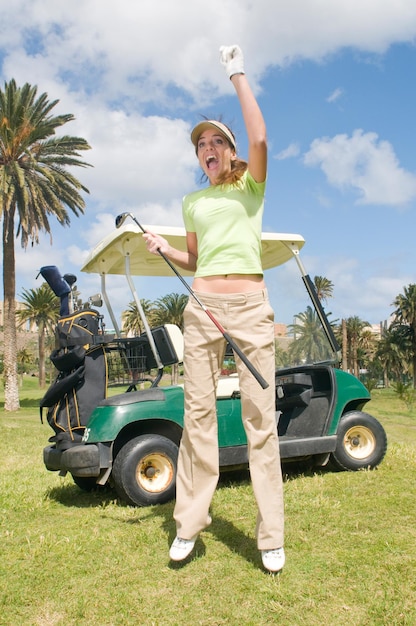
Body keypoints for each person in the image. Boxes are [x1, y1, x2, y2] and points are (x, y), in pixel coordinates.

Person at [143, 45, 285, 573]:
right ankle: (189, 525)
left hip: (250, 306)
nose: (206, 147)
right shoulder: (192, 203)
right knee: (197, 416)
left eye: (214, 141)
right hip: (202, 307)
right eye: (200, 143)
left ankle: (271, 535)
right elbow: (197, 258)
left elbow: (262, 137)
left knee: (259, 420)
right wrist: (166, 248)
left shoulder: (251, 186)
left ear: (228, 151)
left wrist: (237, 72)